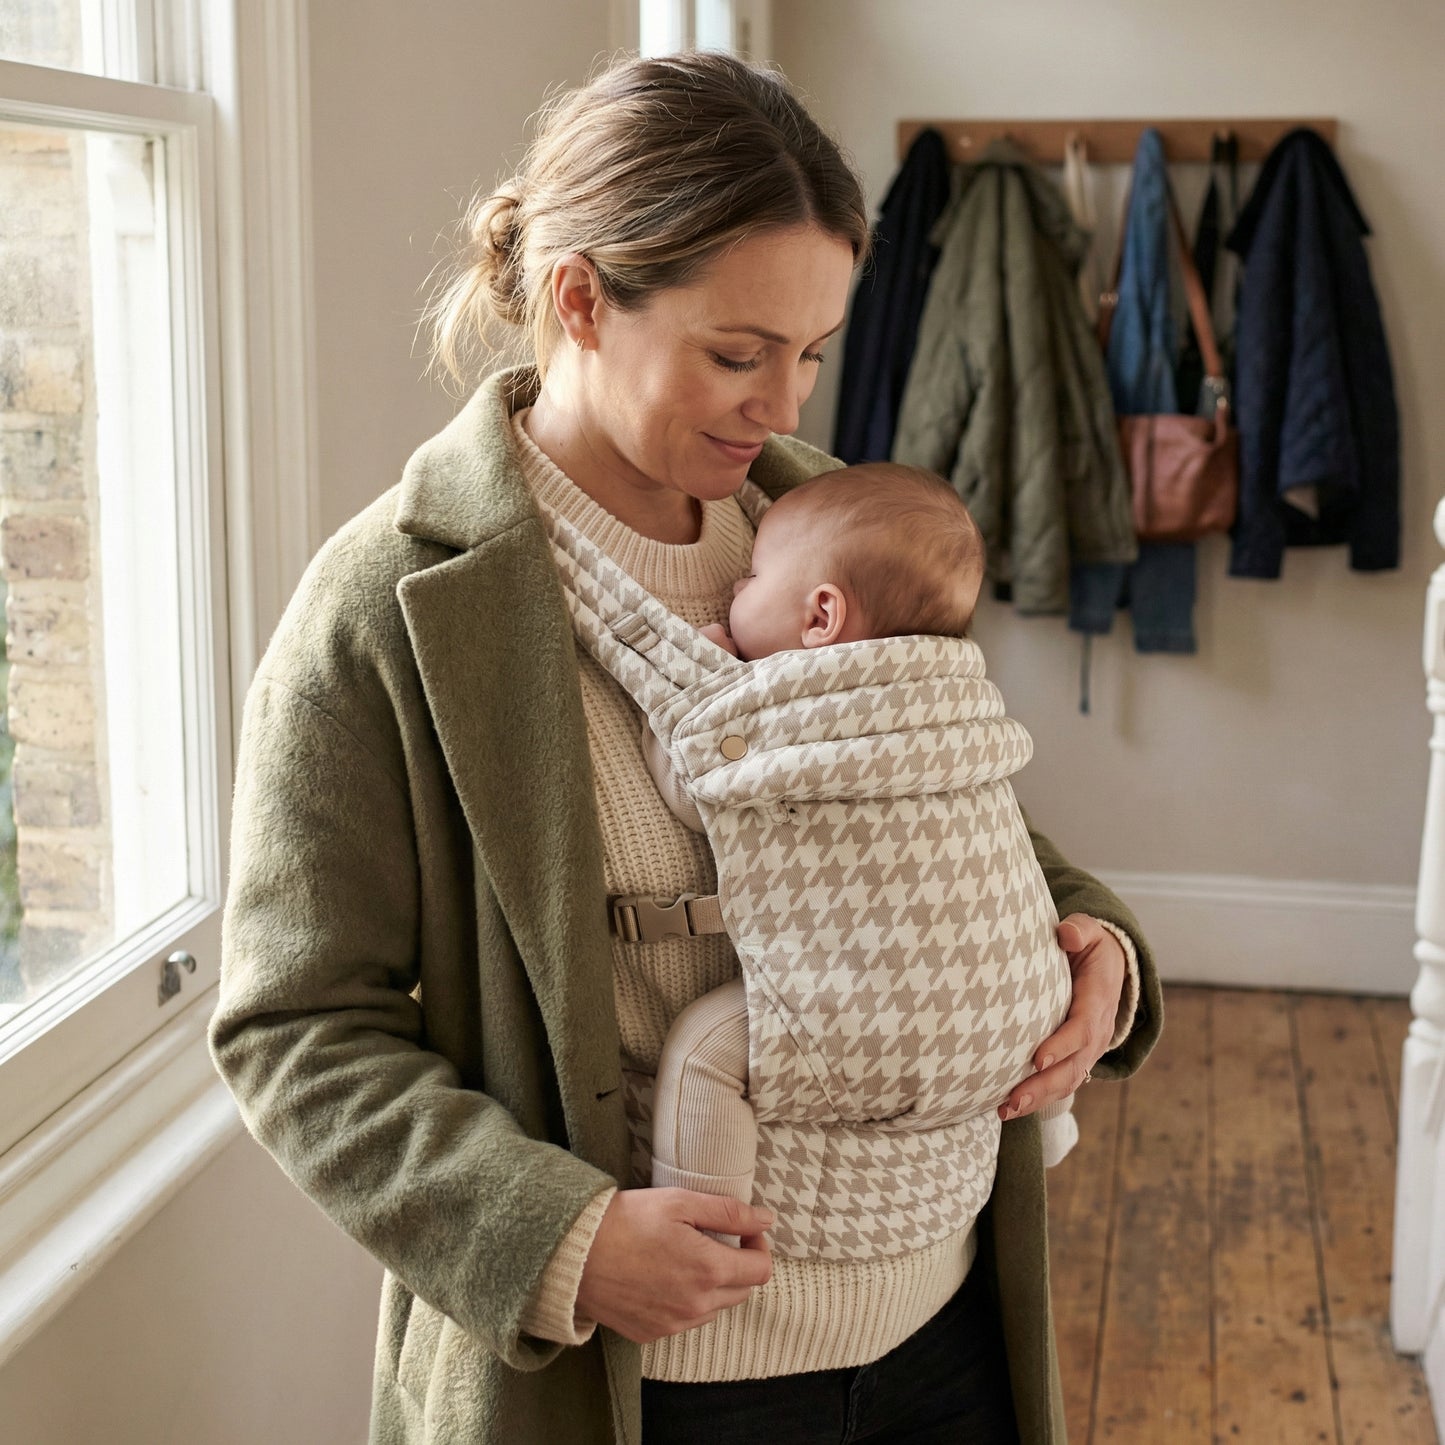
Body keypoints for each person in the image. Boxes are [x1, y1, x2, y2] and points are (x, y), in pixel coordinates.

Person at [210, 51, 1161, 1445]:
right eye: (737, 352)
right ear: (580, 298)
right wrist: (557, 1236)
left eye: (811, 353)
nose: (783, 404)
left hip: (950, 1334)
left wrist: (1095, 948)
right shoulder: (384, 608)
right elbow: (295, 1026)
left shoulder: (832, 524)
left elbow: (967, 822)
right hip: (646, 1392)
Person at [639, 462, 1082, 1226]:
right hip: (1027, 1000)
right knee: (1027, 987)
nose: (732, 590)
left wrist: (683, 712)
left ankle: (704, 1218)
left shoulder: (795, 707)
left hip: (876, 1014)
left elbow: (698, 795)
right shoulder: (944, 698)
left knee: (705, 1049)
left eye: (750, 576)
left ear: (820, 618)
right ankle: (1053, 1123)